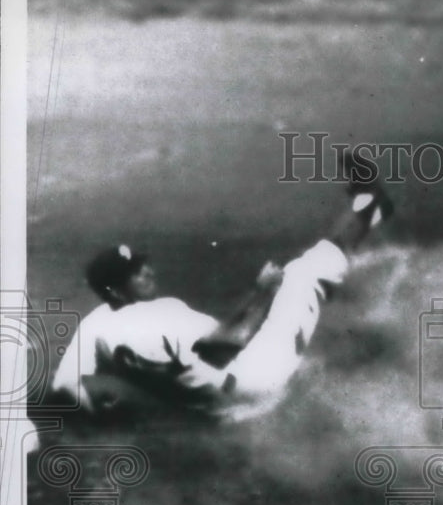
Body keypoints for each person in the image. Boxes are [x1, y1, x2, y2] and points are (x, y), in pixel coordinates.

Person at [50, 154, 393, 422]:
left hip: (213, 417)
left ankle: (369, 211)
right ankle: (371, 205)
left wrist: (99, 419)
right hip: (256, 385)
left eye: (142, 264)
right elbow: (232, 342)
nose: (147, 272)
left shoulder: (94, 326)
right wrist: (263, 290)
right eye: (134, 273)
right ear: (115, 290)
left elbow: (64, 388)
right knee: (300, 274)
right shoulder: (161, 314)